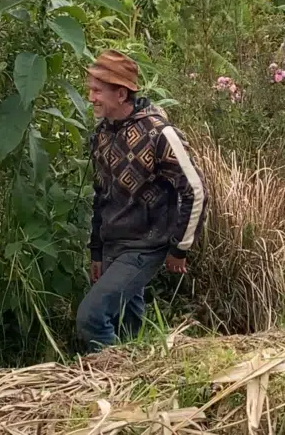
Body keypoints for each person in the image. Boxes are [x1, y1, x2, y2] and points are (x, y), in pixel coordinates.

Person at [77, 50, 206, 352]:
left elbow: (196, 191)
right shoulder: (102, 135)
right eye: (90, 89)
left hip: (145, 246)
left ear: (121, 93)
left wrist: (179, 248)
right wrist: (97, 251)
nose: (91, 97)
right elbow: (101, 195)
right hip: (113, 246)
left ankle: (115, 383)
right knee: (127, 327)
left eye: (97, 90)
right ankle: (135, 386)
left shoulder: (161, 134)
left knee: (91, 317)